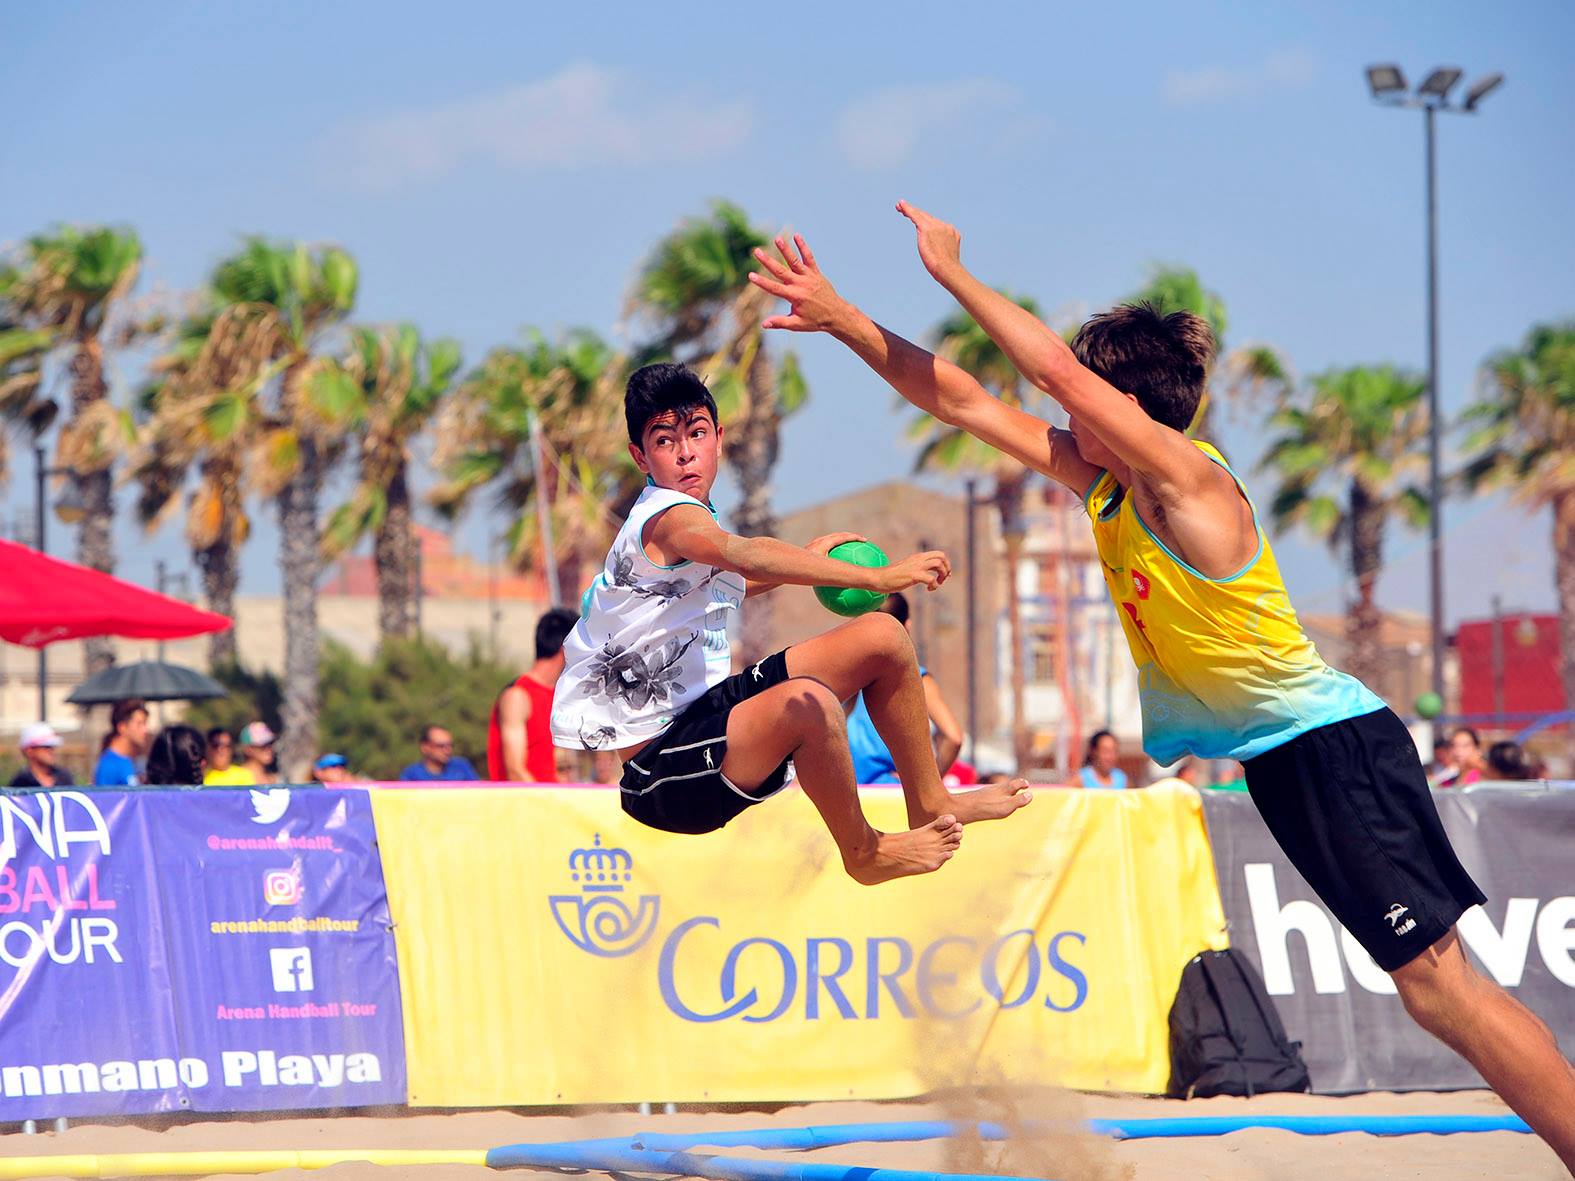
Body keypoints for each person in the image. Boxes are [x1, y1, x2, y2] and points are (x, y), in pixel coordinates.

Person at [748, 210, 1575, 1165]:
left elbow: (1053, 373)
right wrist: (843, 314)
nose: (1062, 421)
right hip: (1283, 761)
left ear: (1119, 408)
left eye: (1083, 405)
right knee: (1437, 990)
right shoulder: (1105, 486)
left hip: (1332, 748)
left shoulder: (1186, 482)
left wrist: (952, 275)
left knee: (1439, 989)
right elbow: (965, 402)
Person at [551, 362, 1030, 886]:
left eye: (696, 433)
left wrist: (803, 561)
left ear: (718, 438)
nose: (686, 451)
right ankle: (865, 852)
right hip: (662, 776)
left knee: (885, 638)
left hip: (705, 718)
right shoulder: (670, 517)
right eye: (665, 441)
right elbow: (744, 554)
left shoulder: (686, 527)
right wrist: (878, 578)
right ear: (641, 457)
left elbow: (734, 582)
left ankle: (930, 798)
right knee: (811, 701)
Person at [844, 592, 964, 784]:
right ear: (907, 626)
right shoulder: (917, 678)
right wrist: (927, 785)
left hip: (848, 793)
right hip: (894, 795)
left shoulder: (851, 675)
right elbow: (953, 737)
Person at [488, 607, 579, 782]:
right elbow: (515, 771)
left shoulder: (557, 696)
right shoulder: (517, 696)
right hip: (525, 805)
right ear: (565, 649)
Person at [93, 699, 149, 786]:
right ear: (122, 727)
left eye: (145, 724)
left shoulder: (131, 761)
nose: (145, 730)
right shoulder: (109, 765)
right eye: (139, 724)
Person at [399, 725, 480, 781]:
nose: (447, 750)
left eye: (450, 745)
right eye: (440, 746)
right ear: (425, 747)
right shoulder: (412, 774)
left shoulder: (461, 766)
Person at [10, 723, 76, 788]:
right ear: (29, 751)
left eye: (52, 747)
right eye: (46, 747)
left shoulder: (64, 777)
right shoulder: (20, 783)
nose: (51, 751)